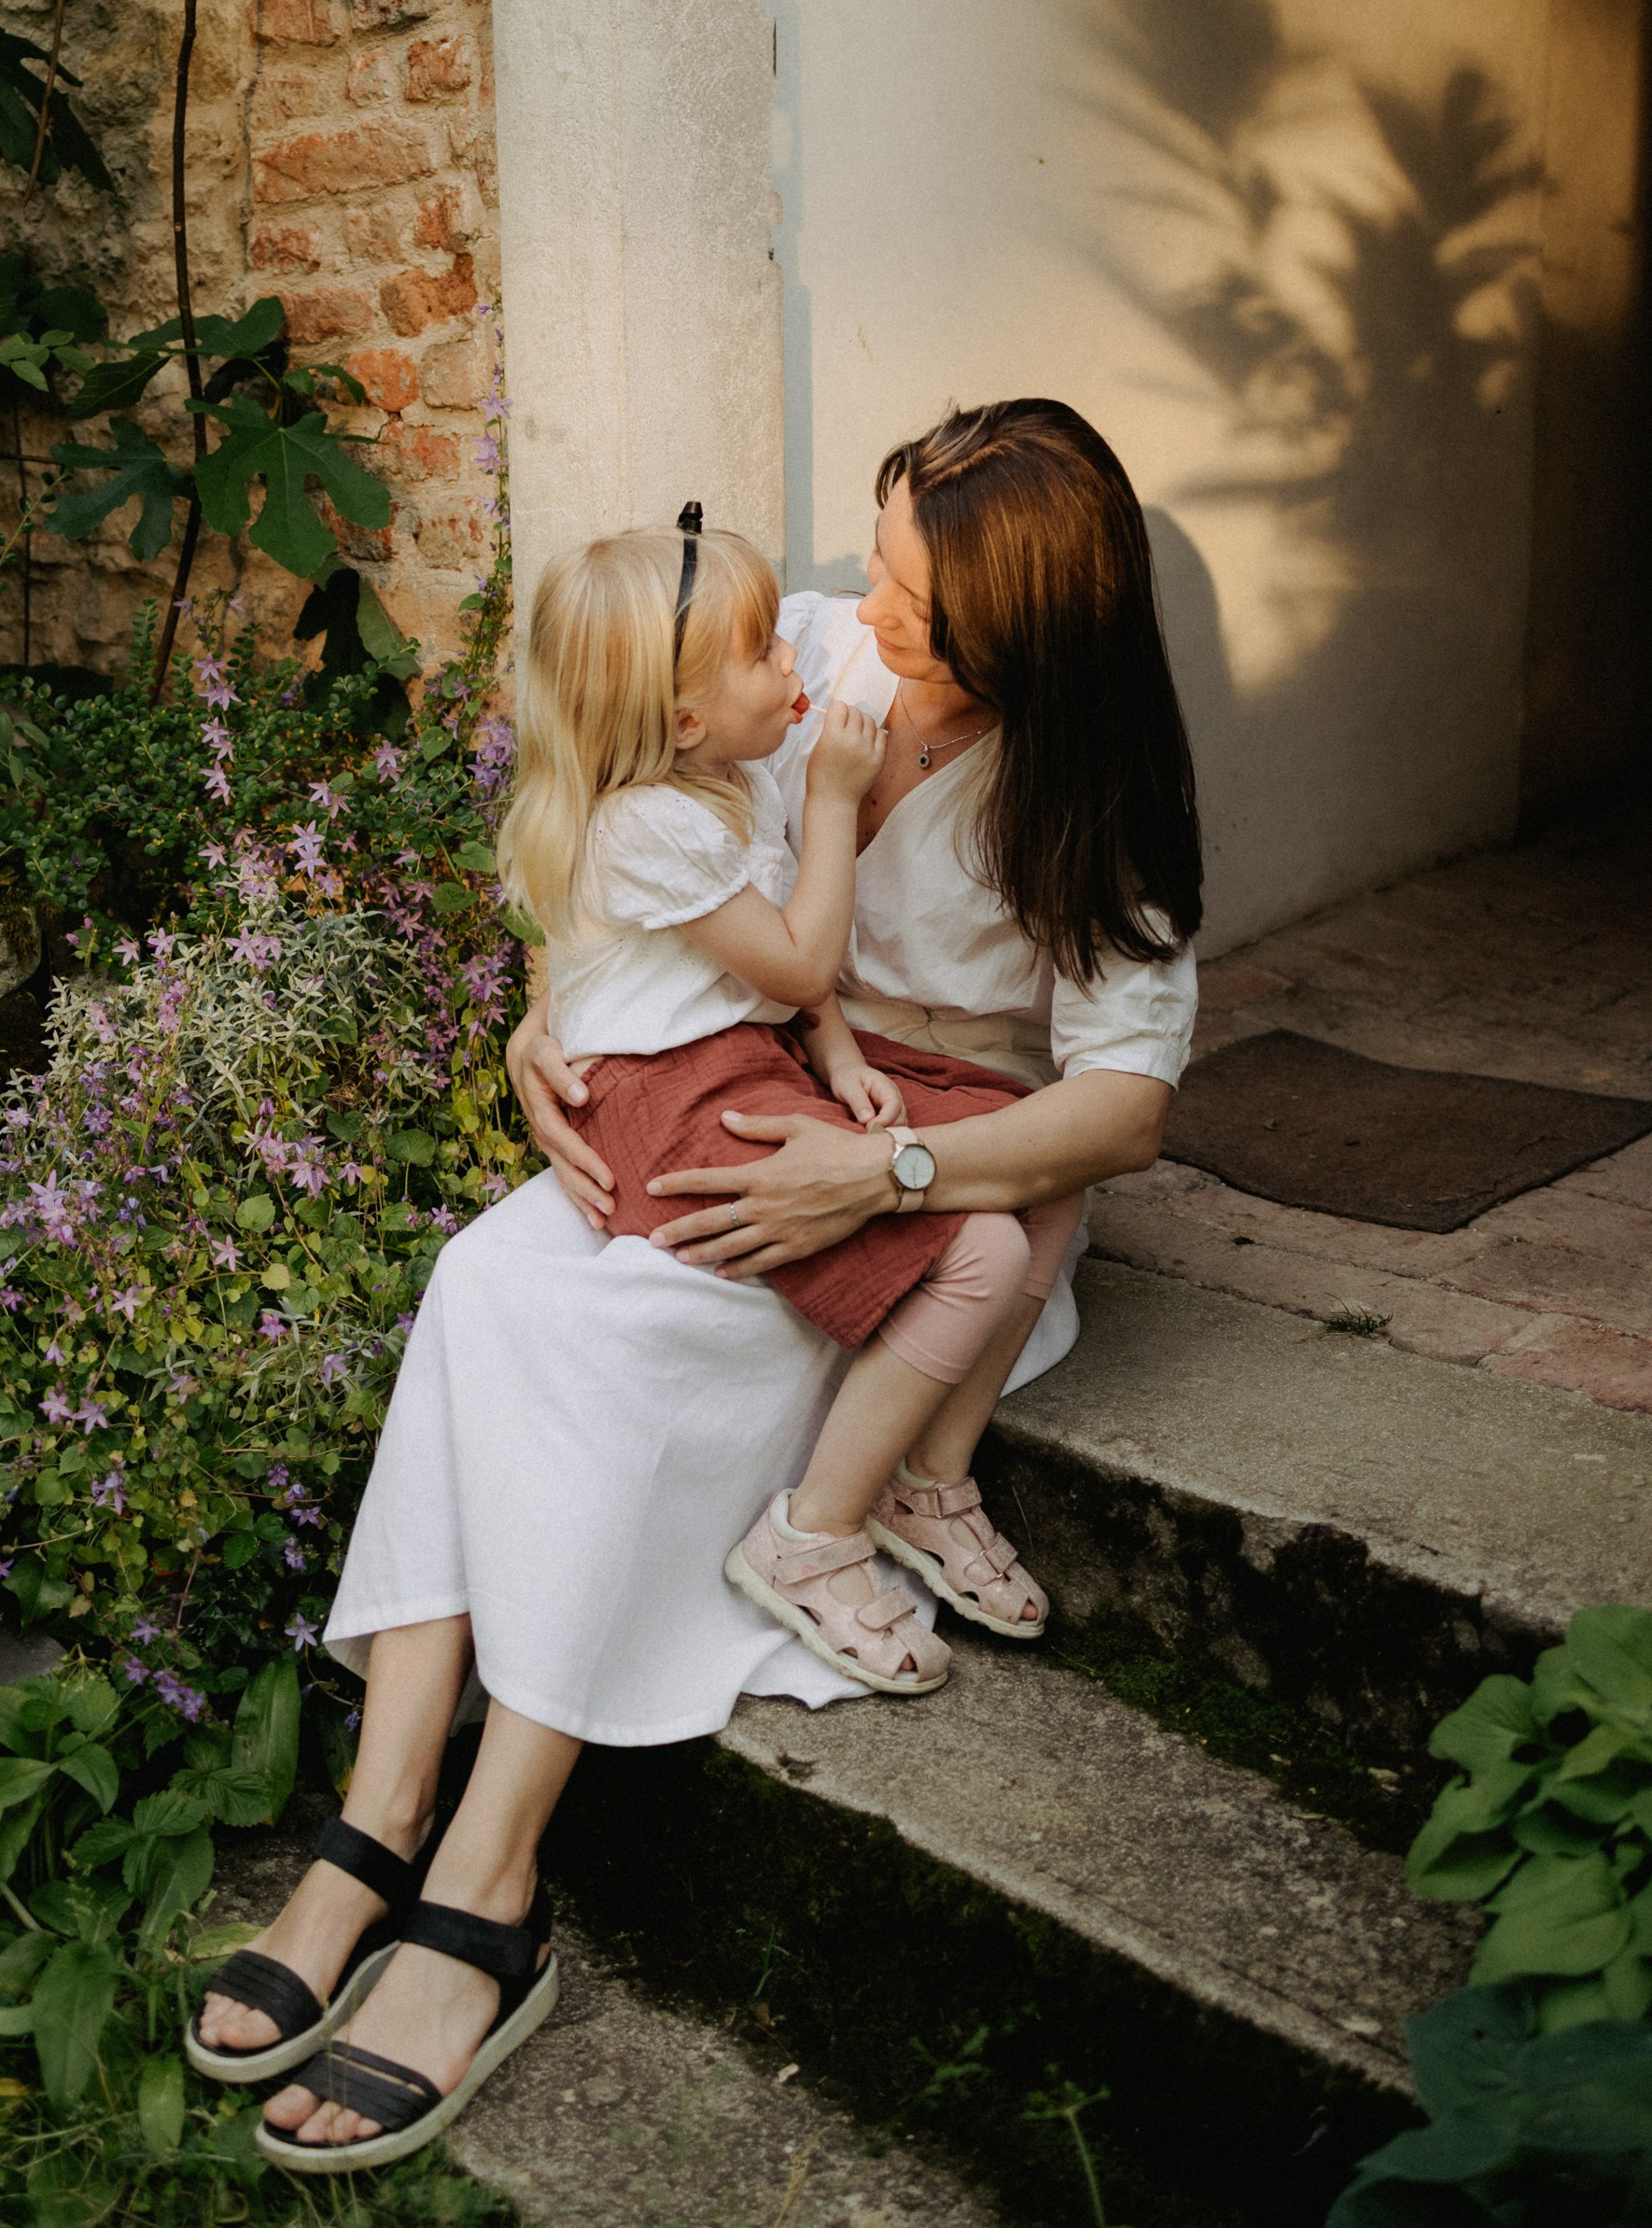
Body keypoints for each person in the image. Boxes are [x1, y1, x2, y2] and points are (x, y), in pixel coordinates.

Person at [191, 399, 1202, 2173]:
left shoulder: (1095, 798)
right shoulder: (788, 652)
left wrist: (875, 1166)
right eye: (875, 559)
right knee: (483, 1276)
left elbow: (1121, 1106)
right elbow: (613, 827)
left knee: (625, 1333)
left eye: (906, 596)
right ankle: (380, 1812)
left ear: (1020, 633)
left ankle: (489, 1889)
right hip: (716, 1090)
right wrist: (540, 1022)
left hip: (932, 1159)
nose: (856, 611)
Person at [495, 513, 1079, 1695]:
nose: (794, 665)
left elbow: (772, 975)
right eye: (766, 654)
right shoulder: (654, 818)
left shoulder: (705, 774)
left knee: (1032, 1177)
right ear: (687, 717)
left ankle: (920, 1485)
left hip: (738, 1058)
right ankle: (812, 1536)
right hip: (673, 1102)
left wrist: (837, 1048)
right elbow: (798, 958)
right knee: (977, 1250)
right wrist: (830, 806)